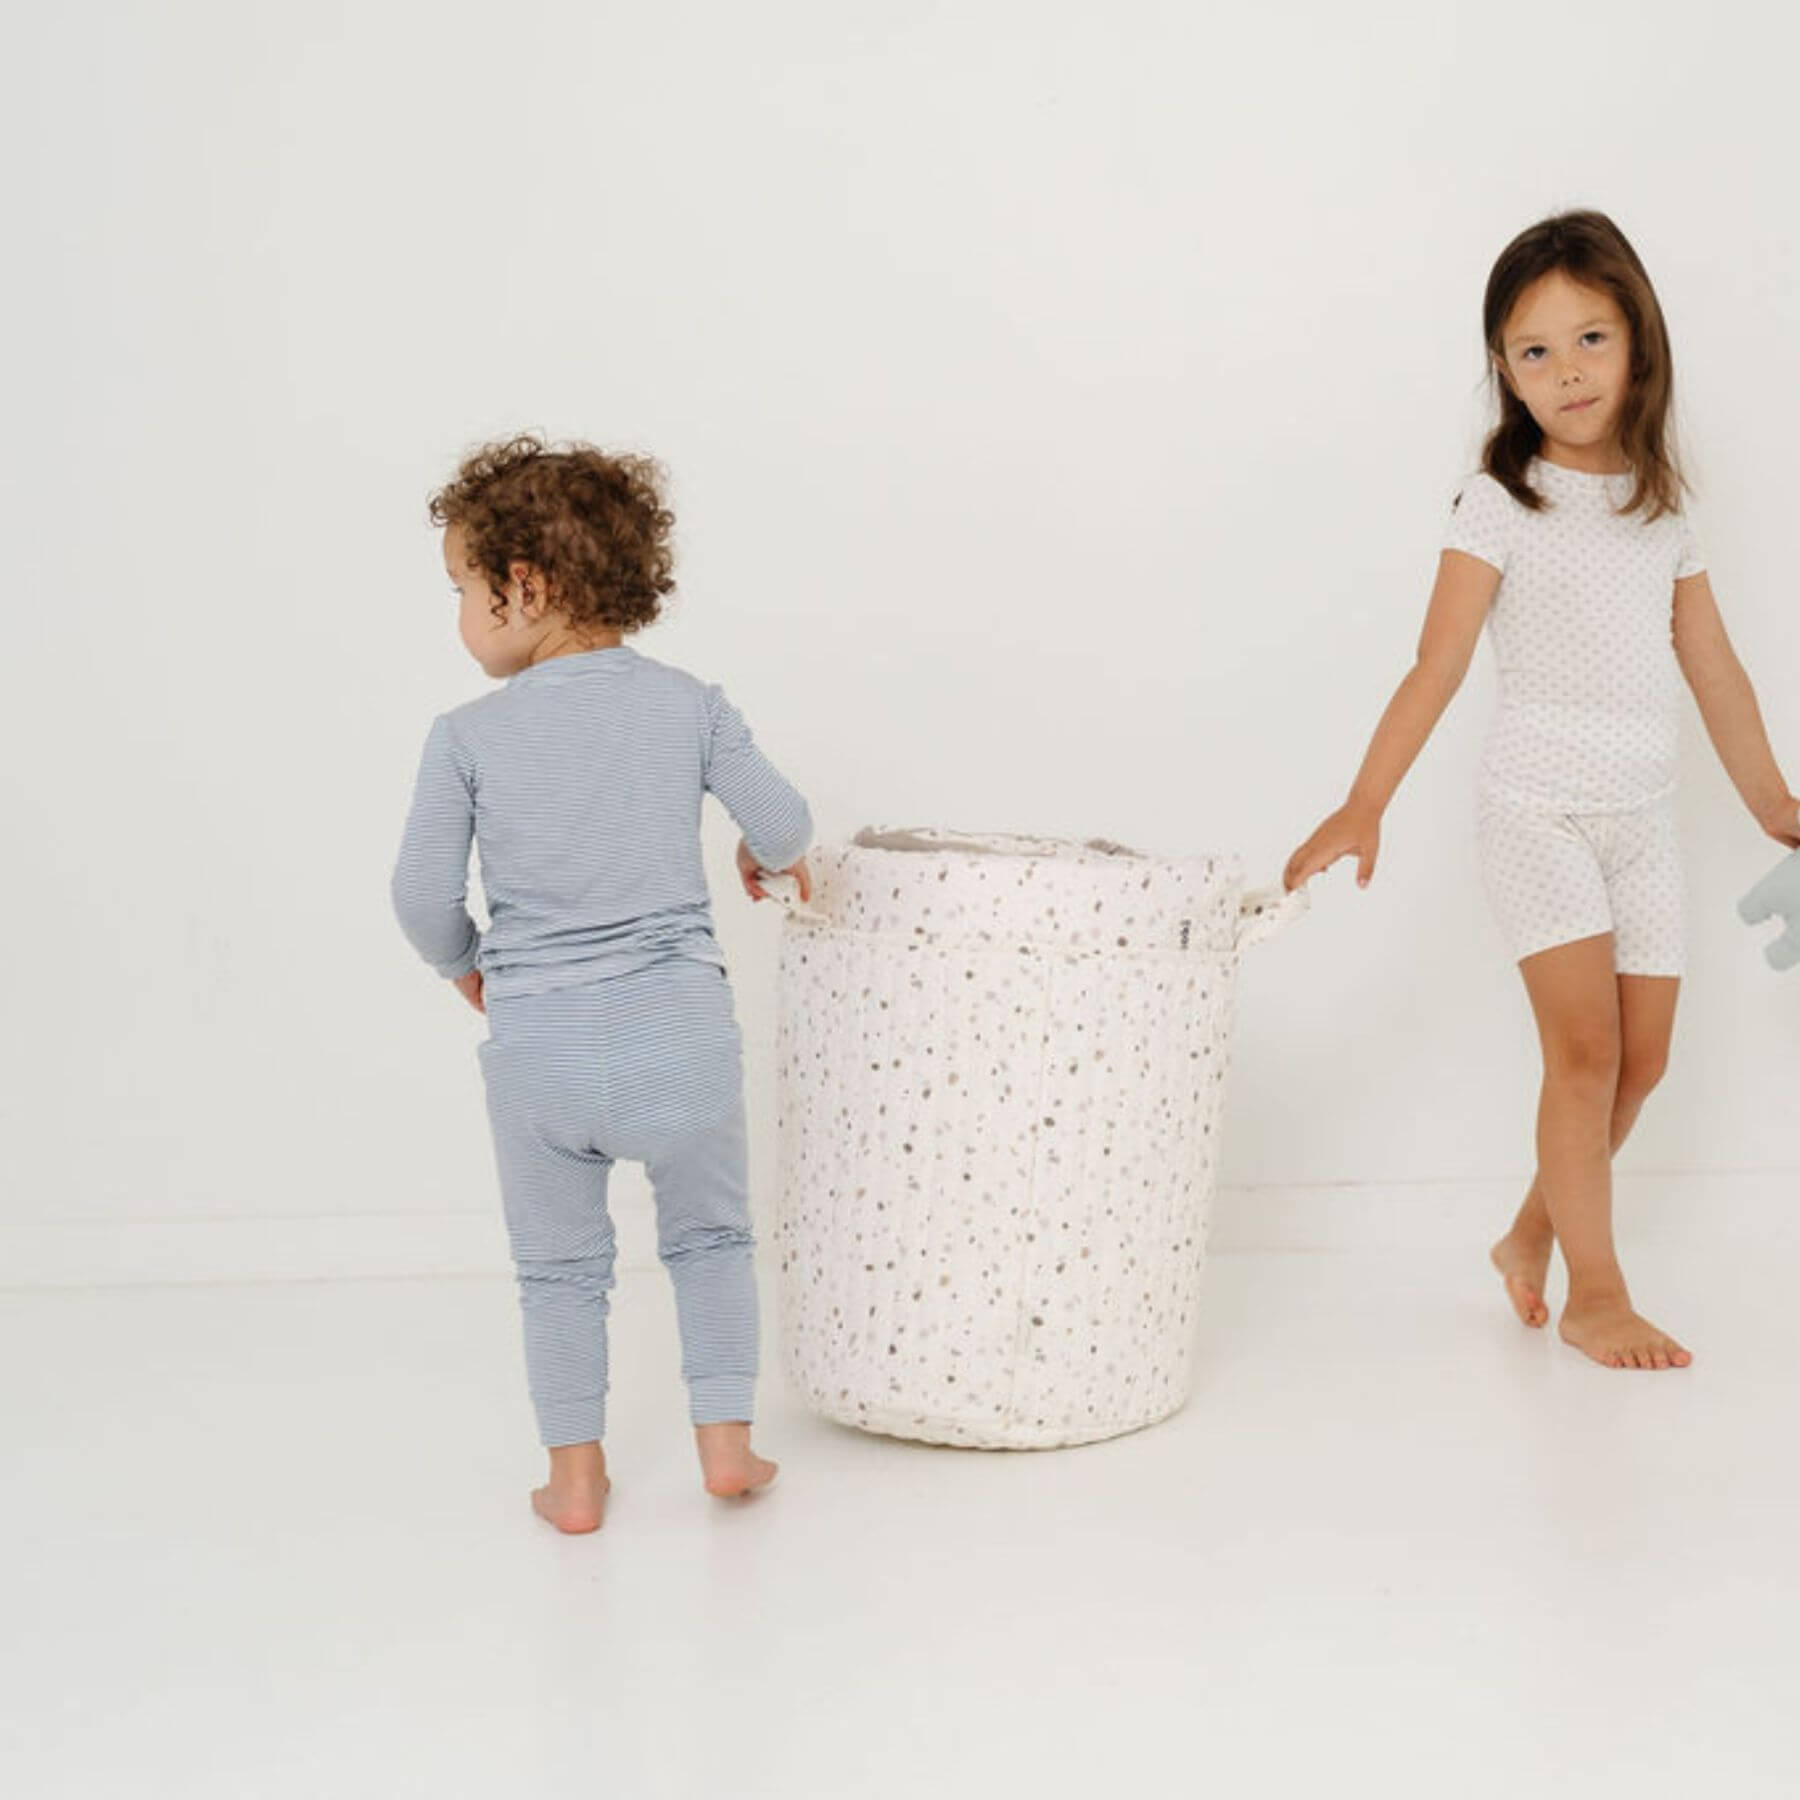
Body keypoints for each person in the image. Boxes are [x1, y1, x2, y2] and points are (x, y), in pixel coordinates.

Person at [1284, 211, 1799, 1371]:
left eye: (1591, 338)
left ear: (1639, 348)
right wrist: (1364, 802)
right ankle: (1594, 1291)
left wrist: (1776, 805)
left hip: (1642, 820)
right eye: (1534, 351)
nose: (1567, 371)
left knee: (1645, 1058)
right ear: (1505, 376)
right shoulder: (1498, 505)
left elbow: (1715, 670)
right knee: (1583, 1056)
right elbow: (1438, 663)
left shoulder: (1665, 514)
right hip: (1536, 815)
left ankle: (1526, 1239)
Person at [392, 435, 812, 1528]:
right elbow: (787, 824)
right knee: (712, 1240)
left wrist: (465, 965)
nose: (460, 614)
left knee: (558, 1269)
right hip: (681, 1034)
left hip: (542, 1054)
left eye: (462, 589)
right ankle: (726, 1450)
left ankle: (575, 1481)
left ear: (523, 588)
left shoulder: (465, 738)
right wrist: (763, 857)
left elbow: (417, 892)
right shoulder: (692, 707)